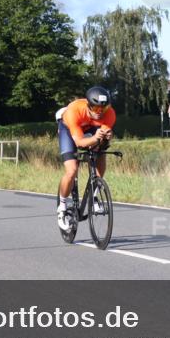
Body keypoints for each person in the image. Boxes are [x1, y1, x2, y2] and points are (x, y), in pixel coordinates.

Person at [55, 86, 116, 230]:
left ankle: (94, 194)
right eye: (95, 109)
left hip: (90, 128)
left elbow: (105, 135)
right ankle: (62, 207)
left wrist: (107, 137)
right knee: (72, 170)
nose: (100, 113)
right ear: (88, 106)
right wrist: (95, 138)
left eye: (103, 108)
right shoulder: (74, 111)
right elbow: (80, 143)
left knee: (100, 151)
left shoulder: (110, 114)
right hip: (69, 129)